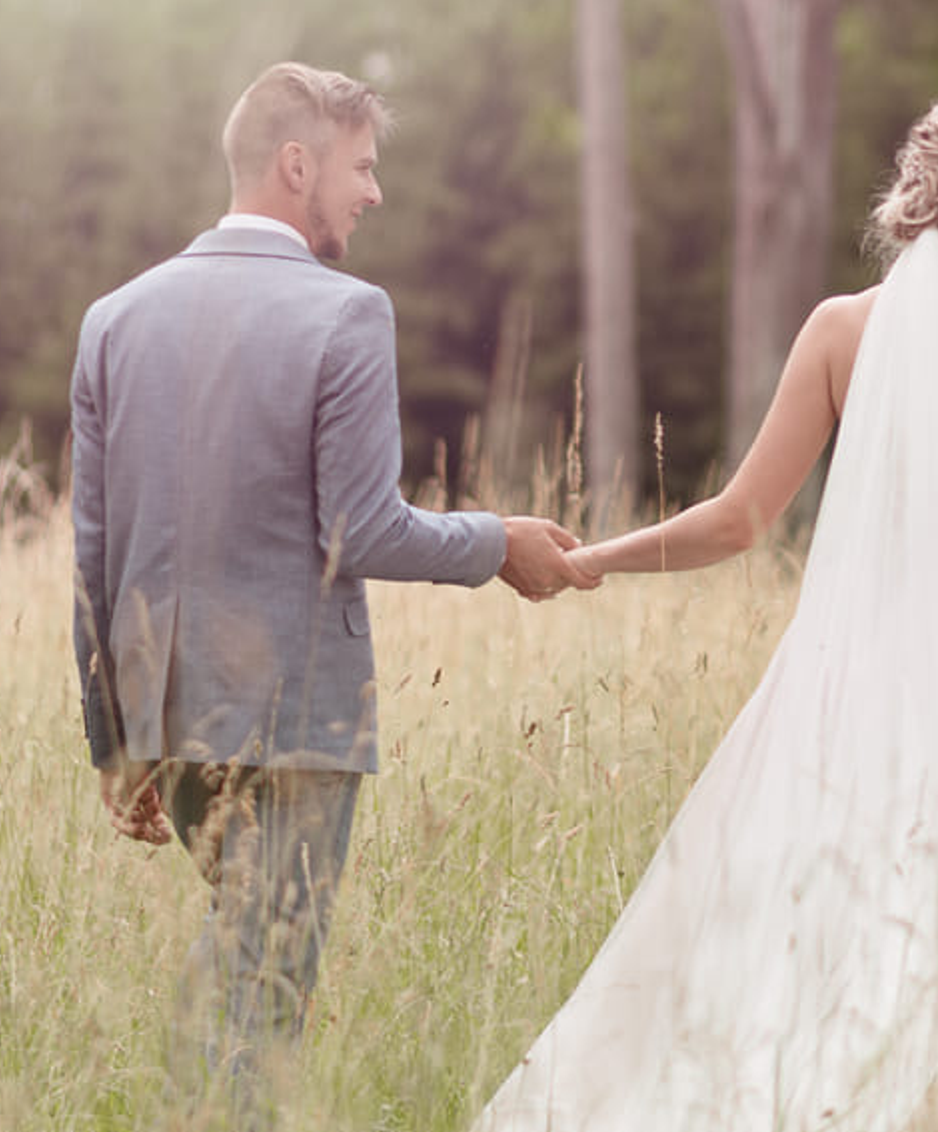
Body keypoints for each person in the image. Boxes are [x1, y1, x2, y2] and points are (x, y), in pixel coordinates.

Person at [473, 88, 938, 1132]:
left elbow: (739, 519)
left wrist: (593, 558)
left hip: (865, 669)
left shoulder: (839, 330)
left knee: (847, 914)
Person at [70, 61, 598, 1117]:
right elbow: (363, 527)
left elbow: (93, 557)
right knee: (260, 992)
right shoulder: (348, 313)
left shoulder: (113, 319)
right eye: (359, 168)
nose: (374, 192)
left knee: (248, 960)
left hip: (166, 718)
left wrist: (111, 737)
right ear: (295, 164)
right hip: (295, 722)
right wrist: (499, 541)